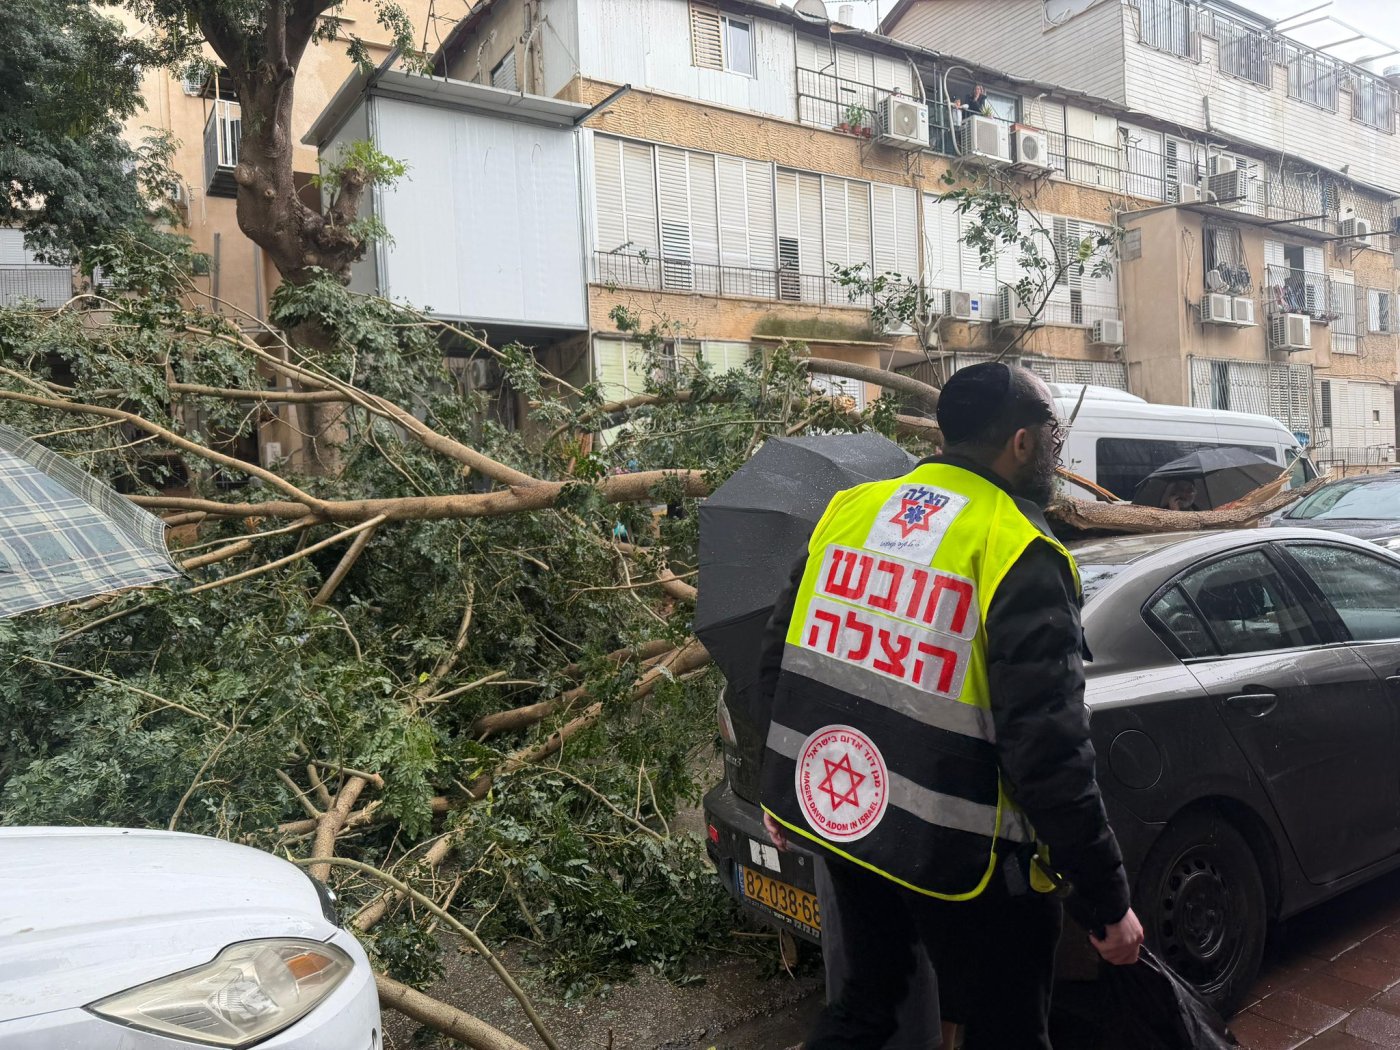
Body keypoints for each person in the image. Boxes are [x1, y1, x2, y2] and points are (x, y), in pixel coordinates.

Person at [757, 362, 1143, 1050]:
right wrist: (1106, 900)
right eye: (1054, 434)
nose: (1058, 450)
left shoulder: (851, 511)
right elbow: (1049, 750)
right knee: (1009, 1034)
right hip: (974, 865)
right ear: (1022, 442)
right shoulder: (1017, 549)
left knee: (865, 1008)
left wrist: (781, 788)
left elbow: (778, 657)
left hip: (857, 822)